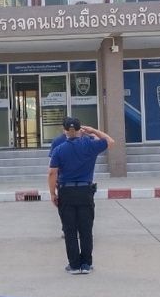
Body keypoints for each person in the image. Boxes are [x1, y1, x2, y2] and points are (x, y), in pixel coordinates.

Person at [48, 117, 115, 274]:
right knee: (86, 230)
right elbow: (110, 141)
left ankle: (74, 265)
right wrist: (93, 130)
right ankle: (86, 264)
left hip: (66, 192)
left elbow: (52, 173)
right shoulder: (90, 145)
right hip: (85, 192)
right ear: (80, 130)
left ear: (65, 131)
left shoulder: (59, 149)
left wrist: (52, 193)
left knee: (70, 231)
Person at [49, 123, 68, 237]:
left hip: (62, 181)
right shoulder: (84, 140)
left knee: (64, 207)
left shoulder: (57, 142)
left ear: (63, 128)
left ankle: (66, 229)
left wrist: (52, 192)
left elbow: (52, 168)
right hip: (83, 183)